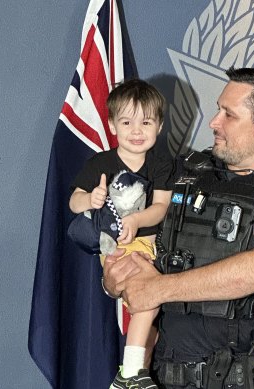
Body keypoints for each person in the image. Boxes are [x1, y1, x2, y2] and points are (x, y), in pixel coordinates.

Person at [103, 67, 254, 388]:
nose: (214, 122)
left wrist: (157, 289)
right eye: (218, 109)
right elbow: (139, 245)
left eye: (229, 114)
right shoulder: (185, 174)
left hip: (248, 377)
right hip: (161, 378)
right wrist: (115, 278)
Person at [69, 78, 173, 389]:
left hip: (151, 244)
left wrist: (138, 219)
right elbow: (74, 202)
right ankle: (129, 372)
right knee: (149, 297)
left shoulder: (162, 163)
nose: (137, 131)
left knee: (150, 315)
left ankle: (133, 369)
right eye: (127, 122)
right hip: (115, 247)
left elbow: (162, 207)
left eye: (146, 122)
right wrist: (91, 199)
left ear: (159, 126)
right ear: (113, 125)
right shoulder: (100, 163)